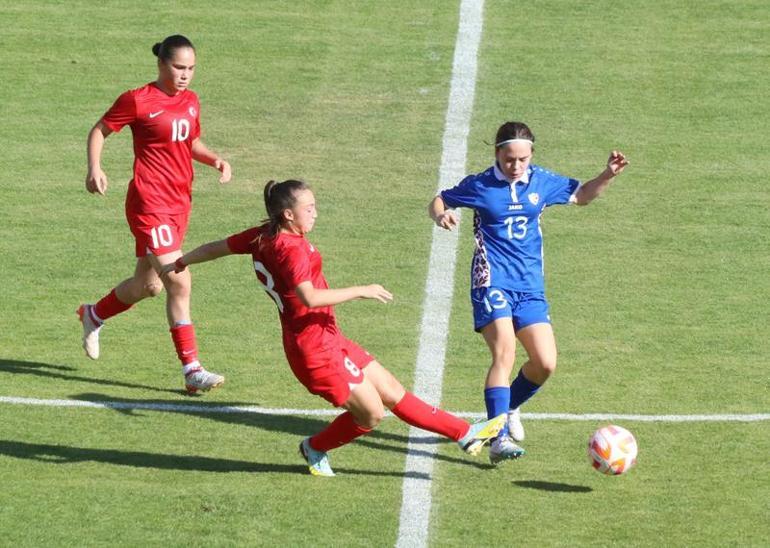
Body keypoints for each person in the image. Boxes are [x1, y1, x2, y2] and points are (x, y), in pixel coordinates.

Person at [163, 179, 505, 476]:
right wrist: (362, 290)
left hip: (326, 337)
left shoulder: (261, 235)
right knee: (371, 415)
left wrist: (182, 260)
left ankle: (464, 432)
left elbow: (217, 247)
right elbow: (308, 297)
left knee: (391, 390)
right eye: (309, 208)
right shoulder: (290, 249)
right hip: (314, 350)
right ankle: (314, 447)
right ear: (288, 214)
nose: (315, 213)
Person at [428, 121, 629, 464]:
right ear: (497, 154)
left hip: (530, 286)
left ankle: (511, 407)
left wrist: (607, 175)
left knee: (545, 363)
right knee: (504, 352)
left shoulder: (541, 181)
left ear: (531, 155)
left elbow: (581, 195)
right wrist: (441, 215)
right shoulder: (480, 184)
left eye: (522, 159)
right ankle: (498, 438)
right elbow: (441, 199)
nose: (516, 166)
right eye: (509, 160)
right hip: (491, 281)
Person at [78, 35, 232, 394]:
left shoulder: (191, 101)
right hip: (149, 204)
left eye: (191, 69)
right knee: (180, 279)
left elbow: (189, 141)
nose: (185, 75)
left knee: (148, 286)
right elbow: (100, 130)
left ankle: (93, 314)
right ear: (161, 64)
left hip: (179, 203)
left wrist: (214, 159)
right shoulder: (138, 100)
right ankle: (192, 369)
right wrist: (94, 168)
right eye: (179, 67)